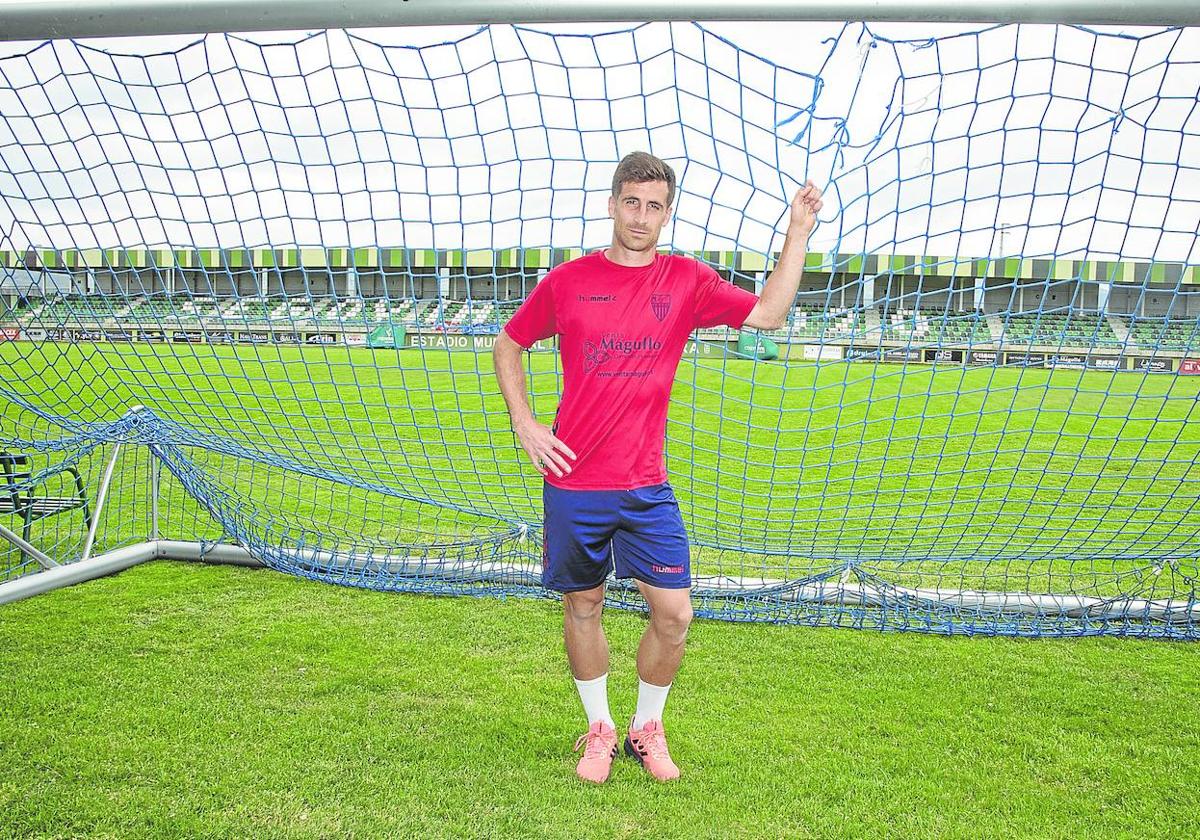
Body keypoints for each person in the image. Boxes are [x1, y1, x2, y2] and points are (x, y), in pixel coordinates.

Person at [493, 151, 822, 783]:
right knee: (583, 604)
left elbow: (769, 315)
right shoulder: (567, 281)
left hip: (646, 485)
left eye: (655, 206)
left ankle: (647, 728)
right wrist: (526, 424)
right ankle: (599, 729)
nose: (642, 217)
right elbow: (510, 342)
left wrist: (796, 236)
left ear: (667, 214)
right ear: (613, 204)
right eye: (631, 202)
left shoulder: (687, 281)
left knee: (674, 615)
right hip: (574, 481)